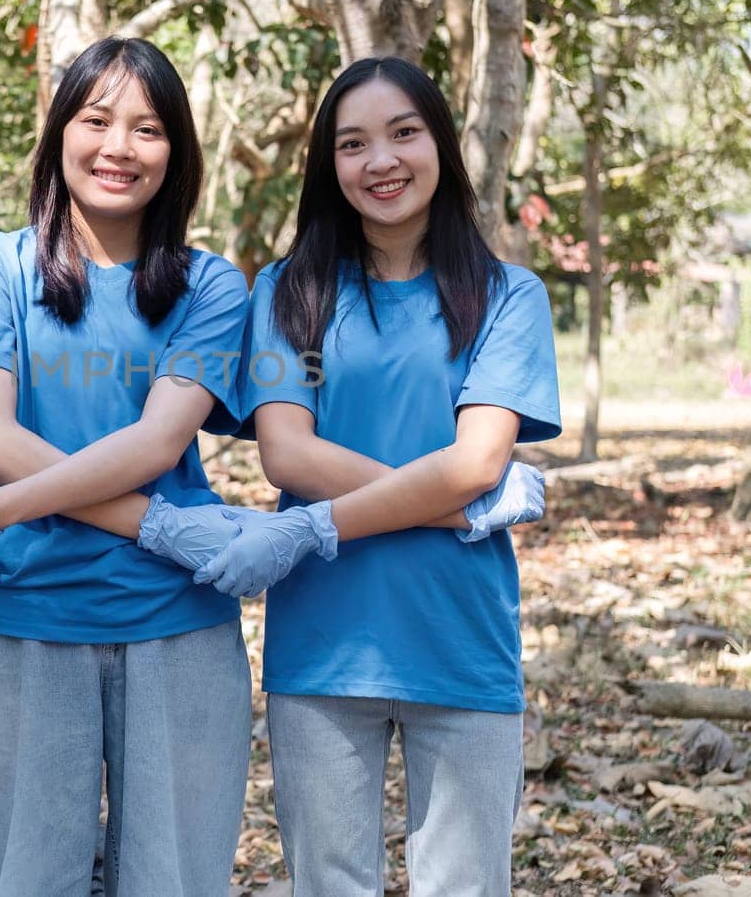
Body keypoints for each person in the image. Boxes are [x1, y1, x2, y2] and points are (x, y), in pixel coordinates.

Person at [0, 36, 254, 896]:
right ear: (59, 134)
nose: (119, 147)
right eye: (96, 120)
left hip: (177, 627)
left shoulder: (211, 287)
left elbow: (159, 444)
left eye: (148, 128)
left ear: (178, 153)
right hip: (24, 621)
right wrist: (160, 526)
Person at [205, 55, 560, 897]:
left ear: (440, 142)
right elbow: (287, 454)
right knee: (328, 884)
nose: (382, 161)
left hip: (462, 641)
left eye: (404, 133)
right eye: (352, 143)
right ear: (329, 167)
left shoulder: (509, 297)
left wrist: (359, 509)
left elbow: (478, 462)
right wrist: (457, 508)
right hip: (324, 646)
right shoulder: (290, 292)